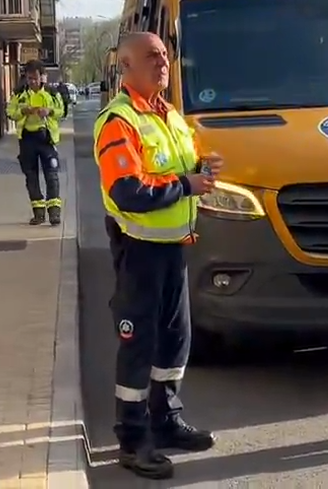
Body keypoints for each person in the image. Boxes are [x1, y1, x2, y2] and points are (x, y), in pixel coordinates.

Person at [94, 31, 220, 480]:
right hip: (139, 251)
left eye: (165, 55)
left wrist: (202, 172)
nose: (162, 62)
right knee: (138, 346)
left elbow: (181, 167)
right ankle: (132, 439)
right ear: (126, 66)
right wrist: (187, 185)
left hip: (172, 251)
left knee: (174, 341)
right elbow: (128, 192)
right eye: (151, 56)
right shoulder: (119, 121)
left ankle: (165, 421)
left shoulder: (170, 115)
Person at [6, 61, 65, 226]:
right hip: (27, 140)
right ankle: (38, 213)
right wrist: (23, 111)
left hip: (46, 139)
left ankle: (54, 213)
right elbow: (10, 112)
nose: (32, 81)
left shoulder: (52, 94)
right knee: (31, 176)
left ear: (42, 77)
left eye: (35, 78)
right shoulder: (19, 95)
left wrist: (49, 111)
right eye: (29, 78)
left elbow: (62, 111)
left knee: (51, 175)